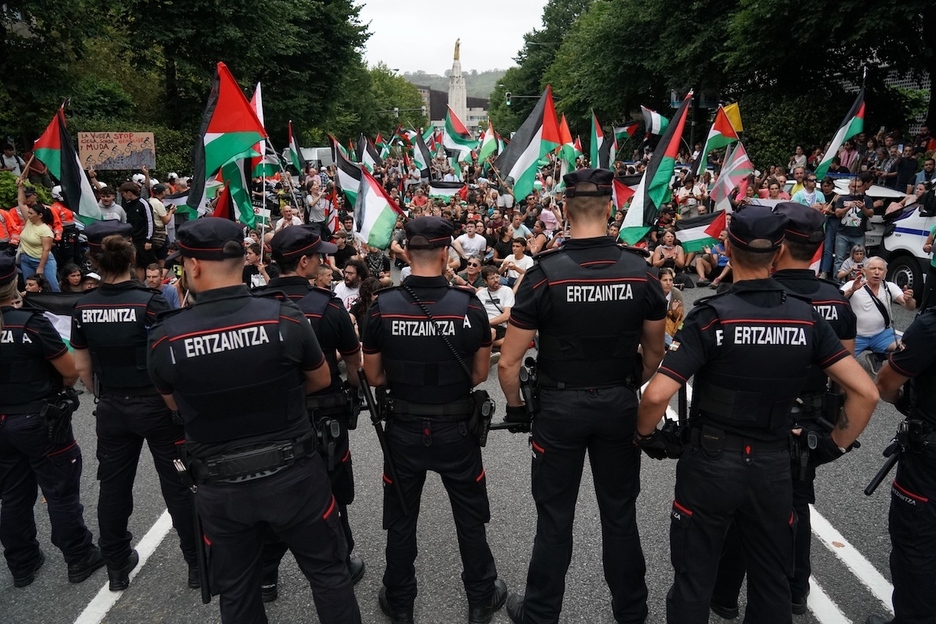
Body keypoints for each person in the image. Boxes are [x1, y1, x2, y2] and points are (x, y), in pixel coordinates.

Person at [635, 206, 877, 624]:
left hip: (711, 462)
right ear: (778, 252)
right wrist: (831, 447)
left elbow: (656, 395)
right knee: (771, 582)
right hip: (774, 462)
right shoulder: (806, 316)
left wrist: (645, 436)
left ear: (729, 249)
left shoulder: (711, 315)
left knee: (694, 581)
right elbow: (866, 392)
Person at [147, 218, 361, 624]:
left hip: (221, 484)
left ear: (193, 265)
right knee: (329, 574)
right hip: (293, 472)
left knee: (238, 589)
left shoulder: (165, 335)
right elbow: (320, 379)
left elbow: (174, 403)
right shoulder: (284, 316)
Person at [498, 168, 667, 624]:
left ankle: (540, 614)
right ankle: (631, 612)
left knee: (555, 517)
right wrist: (625, 382)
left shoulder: (543, 274)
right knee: (620, 514)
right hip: (617, 403)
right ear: (610, 208)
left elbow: (509, 363)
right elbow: (655, 353)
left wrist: (516, 409)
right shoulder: (642, 271)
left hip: (559, 407)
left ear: (565, 210)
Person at [709, 202, 859, 618]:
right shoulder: (835, 299)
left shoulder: (761, 295)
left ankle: (725, 594)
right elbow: (847, 378)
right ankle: (795, 589)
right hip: (810, 420)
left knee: (743, 509)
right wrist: (833, 438)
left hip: (751, 420)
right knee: (796, 506)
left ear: (779, 246)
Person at [362, 216, 507, 624]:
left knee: (401, 518)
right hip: (456, 428)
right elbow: (479, 374)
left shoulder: (381, 306)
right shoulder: (469, 305)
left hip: (403, 428)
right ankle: (480, 597)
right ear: (446, 254)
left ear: (407, 253)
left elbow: (374, 377)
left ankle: (400, 600)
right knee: (469, 516)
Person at [70, 221, 197, 591]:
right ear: (132, 258)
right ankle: (197, 563)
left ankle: (116, 565)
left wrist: (106, 392)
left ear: (96, 261)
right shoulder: (150, 302)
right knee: (179, 484)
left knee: (113, 487)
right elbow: (173, 357)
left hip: (112, 406)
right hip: (156, 405)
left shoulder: (83, 306)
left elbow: (82, 368)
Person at [258, 225, 365, 601]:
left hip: (269, 419)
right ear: (303, 262)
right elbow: (354, 364)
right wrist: (354, 392)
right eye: (318, 255)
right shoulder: (327, 305)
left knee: (272, 493)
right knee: (331, 493)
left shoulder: (252, 305)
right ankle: (340, 563)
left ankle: (266, 575)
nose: (323, 261)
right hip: (322, 417)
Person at [0, 254, 105, 588]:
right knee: (60, 492)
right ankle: (79, 556)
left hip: (4, 421)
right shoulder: (29, 323)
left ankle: (22, 564)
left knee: (13, 494)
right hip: (38, 419)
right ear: (14, 282)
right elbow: (69, 370)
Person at [870, 308, 936, 624]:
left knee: (916, 544)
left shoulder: (930, 327)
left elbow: (886, 383)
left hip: (929, 463)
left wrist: (902, 402)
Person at [842, 255, 915, 367]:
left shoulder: (889, 287)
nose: (876, 272)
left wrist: (909, 300)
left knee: (906, 350)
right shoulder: (852, 284)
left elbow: (910, 307)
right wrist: (851, 290)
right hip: (854, 337)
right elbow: (835, 301)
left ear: (885, 273)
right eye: (873, 268)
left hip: (881, 334)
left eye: (880, 269)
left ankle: (877, 358)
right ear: (864, 271)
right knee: (839, 364)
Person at [15, 182, 61, 291]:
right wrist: (20, 186)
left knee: (52, 287)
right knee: (30, 287)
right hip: (26, 259)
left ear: (40, 215)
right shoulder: (29, 222)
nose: (28, 215)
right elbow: (21, 203)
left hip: (43, 261)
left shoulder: (45, 230)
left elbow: (46, 250)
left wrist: (40, 268)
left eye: (31, 213)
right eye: (29, 213)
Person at [833, 179, 874, 278]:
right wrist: (849, 207)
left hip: (858, 235)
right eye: (854, 186)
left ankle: (857, 279)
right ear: (849, 187)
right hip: (842, 234)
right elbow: (837, 213)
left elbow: (871, 214)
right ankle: (837, 280)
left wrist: (863, 208)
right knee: (839, 258)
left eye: (859, 187)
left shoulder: (867, 199)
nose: (856, 189)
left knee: (860, 259)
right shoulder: (842, 199)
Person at [118, 182, 155, 282]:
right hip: (132, 240)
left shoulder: (143, 204)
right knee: (137, 264)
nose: (123, 196)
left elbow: (150, 222)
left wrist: (148, 240)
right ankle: (139, 283)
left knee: (146, 264)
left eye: (123, 194)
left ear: (129, 193)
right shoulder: (127, 205)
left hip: (143, 240)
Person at [478, 265, 514, 349]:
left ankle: (486, 348)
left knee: (492, 332)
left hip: (499, 326)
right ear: (485, 281)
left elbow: (506, 315)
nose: (496, 280)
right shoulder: (480, 294)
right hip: (483, 327)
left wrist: (487, 323)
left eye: (497, 277)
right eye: (492, 278)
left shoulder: (506, 291)